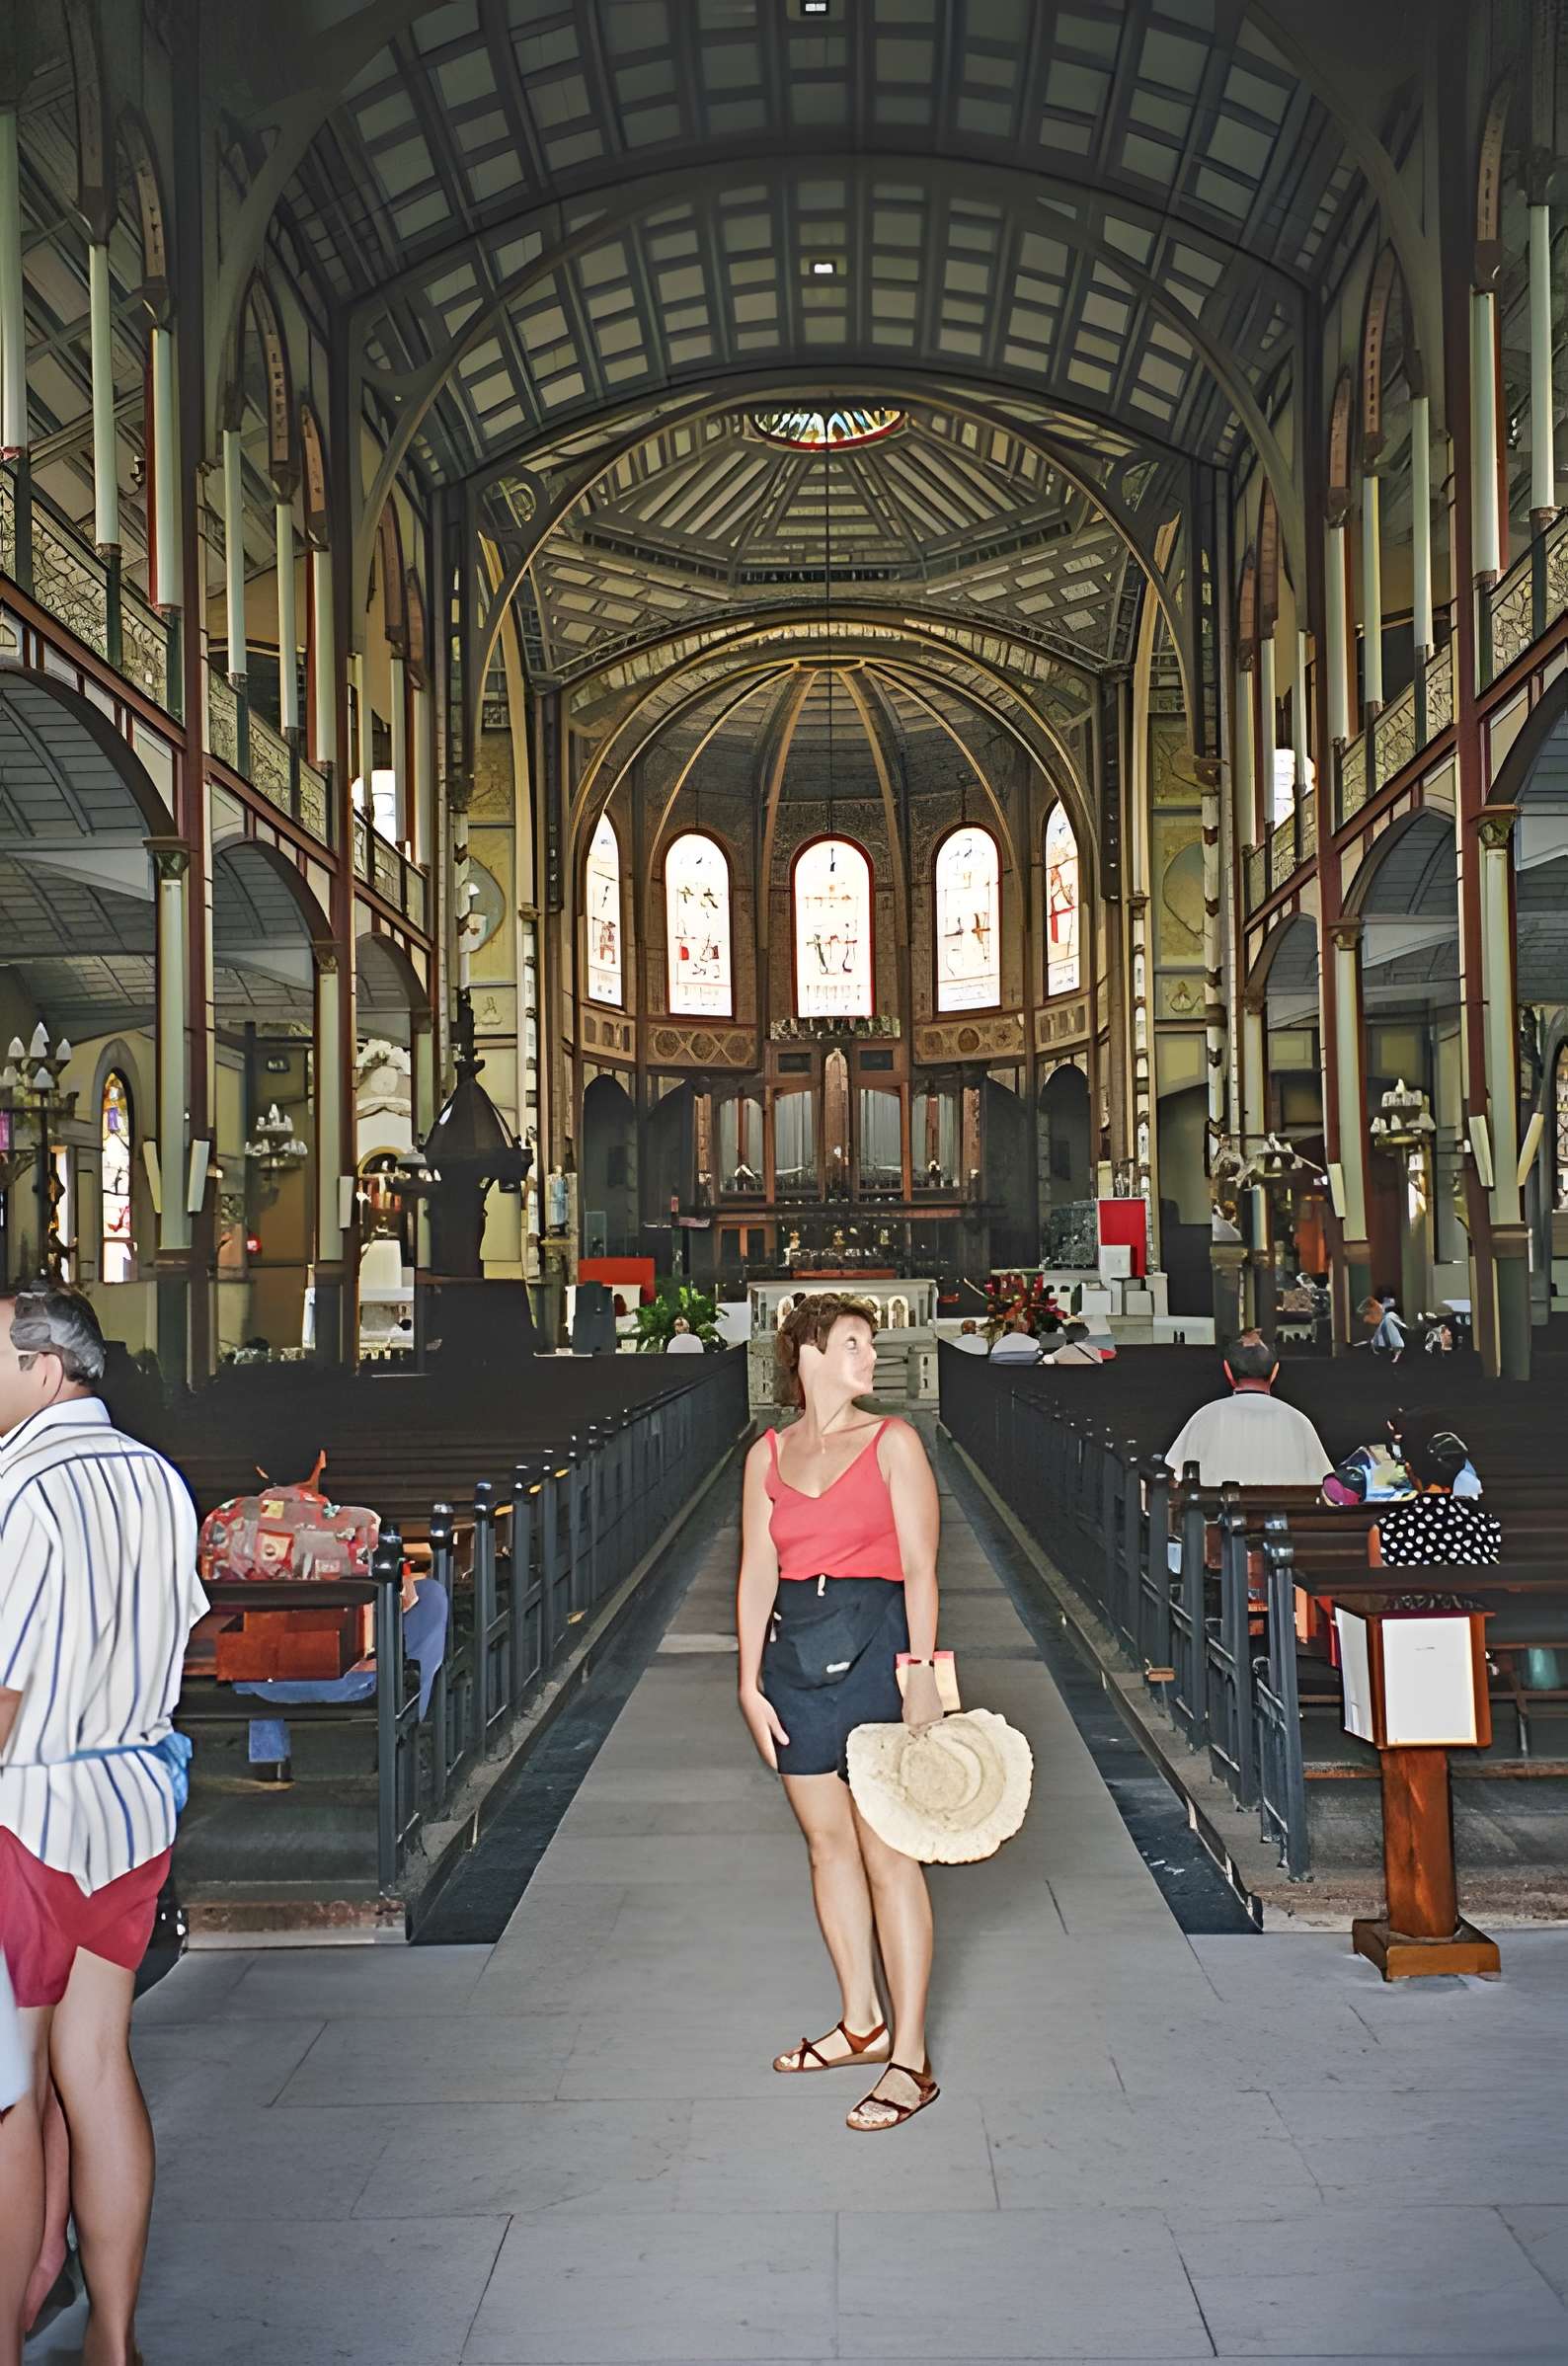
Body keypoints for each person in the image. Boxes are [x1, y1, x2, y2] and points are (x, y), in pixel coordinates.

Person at [0, 1282, 205, 2366]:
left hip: (27, 1810)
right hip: (133, 1803)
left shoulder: (21, 1486)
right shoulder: (157, 1476)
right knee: (98, 2061)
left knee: (14, 2093)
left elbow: (7, 1686)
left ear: (43, 1366)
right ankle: (114, 2338)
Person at [736, 1295, 943, 2133]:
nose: (870, 1355)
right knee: (827, 1847)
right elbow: (757, 1569)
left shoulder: (894, 1443)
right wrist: (748, 1682)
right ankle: (862, 2022)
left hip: (874, 1645)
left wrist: (919, 1672)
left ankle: (910, 2059)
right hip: (795, 1653)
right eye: (853, 1342)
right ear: (809, 1355)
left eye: (870, 1343)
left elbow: (922, 1566)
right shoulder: (768, 1454)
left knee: (889, 1855)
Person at [1162, 1332, 1331, 1487]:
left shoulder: (1205, 1417)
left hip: (1217, 1511)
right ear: (1275, 1372)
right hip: (1286, 1512)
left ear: (1228, 1371)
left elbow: (1174, 1477)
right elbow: (1325, 1485)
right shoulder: (1298, 1422)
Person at [1370, 1428, 1502, 1566]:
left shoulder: (1385, 1530)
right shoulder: (1486, 1525)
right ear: (1457, 1470)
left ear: (1410, 1470)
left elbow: (1378, 1579)